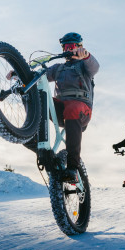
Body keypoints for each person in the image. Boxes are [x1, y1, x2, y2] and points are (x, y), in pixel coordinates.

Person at [24, 32, 100, 182]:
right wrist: (20, 73)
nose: (68, 49)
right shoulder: (58, 68)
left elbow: (95, 66)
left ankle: (73, 168)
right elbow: (39, 76)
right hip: (60, 109)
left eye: (72, 46)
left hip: (81, 109)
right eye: (65, 47)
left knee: (72, 107)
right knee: (36, 94)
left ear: (79, 47)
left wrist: (86, 55)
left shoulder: (84, 66)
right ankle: (32, 138)